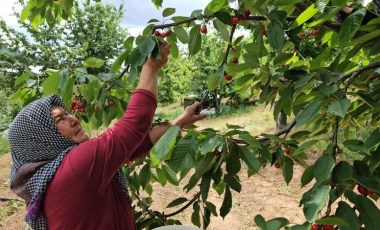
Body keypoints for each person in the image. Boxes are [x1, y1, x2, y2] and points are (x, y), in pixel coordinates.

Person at [8, 42, 206, 230]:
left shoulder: (51, 175)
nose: (74, 119)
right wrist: (151, 68)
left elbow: (132, 148)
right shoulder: (74, 167)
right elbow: (132, 127)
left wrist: (180, 122)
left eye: (67, 113)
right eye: (60, 120)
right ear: (40, 138)